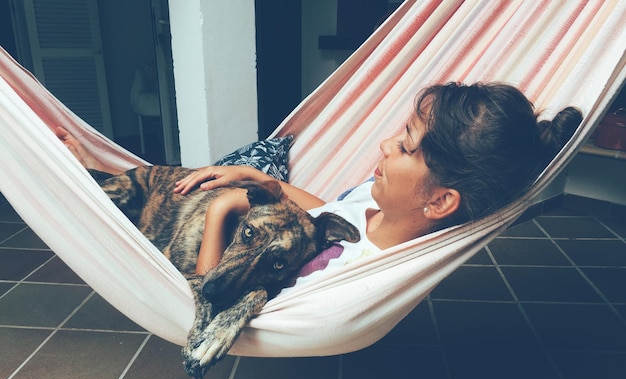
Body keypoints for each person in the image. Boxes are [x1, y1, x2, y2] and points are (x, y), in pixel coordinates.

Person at [58, 82, 582, 283]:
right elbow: (331, 210)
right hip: (228, 204)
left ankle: (82, 181)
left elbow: (213, 289)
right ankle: (96, 173)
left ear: (441, 200)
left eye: (404, 146)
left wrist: (225, 210)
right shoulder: (381, 213)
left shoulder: (348, 270)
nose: (384, 146)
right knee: (163, 181)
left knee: (118, 207)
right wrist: (260, 179)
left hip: (198, 242)